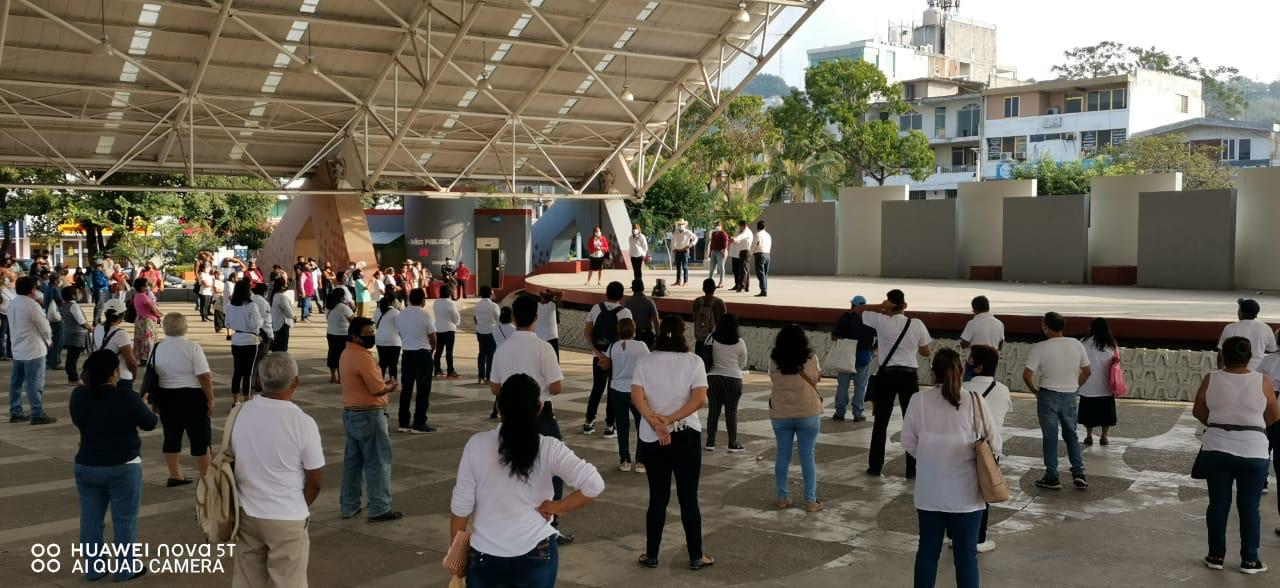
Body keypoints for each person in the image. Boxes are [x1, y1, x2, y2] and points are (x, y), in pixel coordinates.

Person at [450, 374, 605, 587]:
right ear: (539, 408)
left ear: (499, 407)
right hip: (537, 554)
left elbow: (461, 508)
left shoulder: (476, 445)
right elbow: (594, 484)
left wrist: (457, 553)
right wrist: (557, 507)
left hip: (486, 557)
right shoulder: (549, 447)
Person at [903, 348, 1002, 588]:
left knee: (927, 552)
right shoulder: (975, 401)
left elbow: (908, 442)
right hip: (967, 495)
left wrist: (931, 458)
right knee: (966, 556)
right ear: (961, 370)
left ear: (932, 372)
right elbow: (995, 445)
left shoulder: (918, 400)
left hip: (930, 492)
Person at [231, 352, 325, 587]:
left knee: (247, 581)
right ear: (295, 382)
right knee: (289, 581)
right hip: (287, 516)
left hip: (247, 512)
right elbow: (315, 481)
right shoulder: (303, 422)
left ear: (259, 380)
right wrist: (300, 505)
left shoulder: (240, 412)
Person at [489, 294, 575, 544]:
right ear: (536, 317)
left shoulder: (503, 349)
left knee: (512, 469)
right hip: (540, 416)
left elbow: (495, 388)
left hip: (510, 418)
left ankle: (516, 523)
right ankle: (549, 526)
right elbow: (556, 387)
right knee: (553, 469)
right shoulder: (543, 348)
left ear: (514, 318)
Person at [631, 315, 714, 570]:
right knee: (688, 498)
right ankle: (696, 555)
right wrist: (670, 419)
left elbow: (637, 397)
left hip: (652, 437)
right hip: (686, 434)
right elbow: (699, 399)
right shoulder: (694, 361)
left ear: (660, 333)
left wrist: (655, 421)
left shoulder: (645, 361)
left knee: (658, 497)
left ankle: (652, 555)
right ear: (683, 333)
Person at [1193, 336, 1280, 574]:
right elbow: (1274, 416)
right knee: (1250, 508)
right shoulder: (1262, 381)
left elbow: (1198, 410)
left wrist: (1219, 425)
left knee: (1218, 504)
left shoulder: (1211, 378)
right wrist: (1251, 427)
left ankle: (1215, 556)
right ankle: (1250, 560)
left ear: (1223, 355)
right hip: (1254, 451)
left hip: (1216, 449)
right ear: (1249, 356)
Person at [70, 349, 155, 582]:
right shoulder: (126, 396)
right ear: (115, 372)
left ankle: (94, 568)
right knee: (124, 520)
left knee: (90, 520)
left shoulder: (78, 395)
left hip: (87, 464)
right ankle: (126, 567)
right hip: (123, 465)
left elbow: (78, 419)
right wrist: (143, 405)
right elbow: (150, 423)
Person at [857, 289, 933, 477]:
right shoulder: (916, 324)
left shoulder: (880, 320)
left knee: (881, 423)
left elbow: (858, 309)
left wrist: (880, 307)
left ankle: (875, 467)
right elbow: (926, 352)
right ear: (905, 305)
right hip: (909, 376)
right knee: (912, 422)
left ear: (888, 304)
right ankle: (912, 470)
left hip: (887, 375)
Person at [339, 317, 405, 522]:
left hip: (351, 413)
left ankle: (349, 505)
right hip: (369, 414)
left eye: (372, 332)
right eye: (367, 334)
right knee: (378, 462)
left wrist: (383, 385)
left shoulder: (346, 353)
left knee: (353, 463)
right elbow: (376, 389)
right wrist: (390, 387)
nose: (371, 336)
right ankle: (379, 507)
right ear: (355, 336)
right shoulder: (363, 357)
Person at [1023, 311, 1092, 490]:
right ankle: (1078, 472)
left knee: (1050, 436)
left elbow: (1027, 375)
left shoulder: (1039, 347)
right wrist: (1075, 386)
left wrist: (1035, 391)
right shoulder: (1076, 344)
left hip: (1047, 395)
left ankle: (1052, 476)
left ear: (1045, 327)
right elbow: (1087, 371)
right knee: (1071, 434)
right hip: (1070, 395)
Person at [151, 313, 214, 486]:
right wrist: (210, 399)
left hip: (167, 396)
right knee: (200, 438)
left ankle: (175, 475)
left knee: (171, 436)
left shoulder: (157, 347)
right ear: (185, 326)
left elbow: (153, 375)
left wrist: (155, 400)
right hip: (192, 397)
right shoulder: (192, 347)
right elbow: (204, 376)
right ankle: (205, 477)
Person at [961, 345, 1011, 554]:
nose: (966, 364)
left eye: (969, 360)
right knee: (983, 493)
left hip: (961, 447)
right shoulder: (1003, 390)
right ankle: (978, 539)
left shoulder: (962, 389)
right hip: (988, 449)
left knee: (959, 491)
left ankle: (955, 536)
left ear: (978, 367)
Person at [768, 324, 824, 511]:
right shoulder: (812, 357)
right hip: (807, 413)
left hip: (781, 414)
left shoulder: (774, 360)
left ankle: (782, 497)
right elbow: (817, 378)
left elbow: (773, 378)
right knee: (807, 455)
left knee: (783, 454)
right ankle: (810, 501)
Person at [583, 281, 632, 437]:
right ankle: (610, 426)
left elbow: (587, 332)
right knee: (612, 390)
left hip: (598, 356)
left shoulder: (596, 308)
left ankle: (588, 422)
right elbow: (627, 339)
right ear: (622, 296)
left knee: (597, 388)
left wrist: (597, 352)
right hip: (615, 359)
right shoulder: (625, 313)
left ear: (606, 293)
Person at [605, 318, 649, 472]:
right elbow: (648, 364)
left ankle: (624, 460)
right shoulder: (641, 346)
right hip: (635, 390)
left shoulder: (613, 346)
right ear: (633, 330)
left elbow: (607, 363)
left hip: (616, 389)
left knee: (622, 426)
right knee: (641, 425)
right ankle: (640, 461)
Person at [9, 275, 54, 424]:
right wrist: (49, 341)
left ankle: (16, 411)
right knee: (34, 384)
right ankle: (37, 413)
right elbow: (44, 326)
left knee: (16, 383)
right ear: (32, 289)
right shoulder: (32, 305)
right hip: (33, 349)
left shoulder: (12, 303)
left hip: (17, 349)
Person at [705, 313, 748, 453]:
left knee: (713, 410)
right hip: (733, 379)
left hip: (713, 378)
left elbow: (705, 356)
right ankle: (732, 443)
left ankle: (710, 442)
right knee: (731, 412)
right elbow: (743, 362)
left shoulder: (711, 338)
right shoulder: (740, 342)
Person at [396, 288, 438, 433]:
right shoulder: (425, 315)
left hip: (407, 354)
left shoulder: (401, 314)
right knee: (423, 390)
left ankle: (403, 422)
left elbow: (400, 332)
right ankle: (419, 422)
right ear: (422, 300)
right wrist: (431, 351)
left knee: (406, 389)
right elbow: (433, 337)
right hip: (423, 354)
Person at [832, 295, 876, 422]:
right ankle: (857, 413)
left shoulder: (845, 318)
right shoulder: (870, 320)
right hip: (864, 356)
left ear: (852, 305)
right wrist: (872, 349)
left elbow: (834, 337)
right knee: (860, 386)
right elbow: (880, 336)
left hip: (846, 356)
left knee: (843, 386)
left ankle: (839, 413)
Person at [1078, 317, 1120, 446]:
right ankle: (1104, 436)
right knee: (1106, 414)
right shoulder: (1111, 344)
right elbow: (1116, 362)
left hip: (1088, 386)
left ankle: (1089, 435)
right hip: (1105, 387)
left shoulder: (1083, 342)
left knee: (1088, 414)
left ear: (1091, 328)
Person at [226, 280, 264, 406]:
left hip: (236, 339)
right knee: (248, 372)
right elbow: (255, 325)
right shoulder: (252, 306)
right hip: (250, 340)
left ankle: (235, 400)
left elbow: (227, 323)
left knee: (237, 371)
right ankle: (247, 400)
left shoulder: (230, 306)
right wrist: (261, 320)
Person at [93, 299, 139, 395]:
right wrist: (134, 375)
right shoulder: (121, 333)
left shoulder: (96, 328)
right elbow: (131, 362)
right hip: (121, 377)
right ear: (122, 315)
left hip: (101, 375)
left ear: (105, 313)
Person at [1219, 298, 1276, 371]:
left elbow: (1221, 353)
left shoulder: (1230, 328)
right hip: (1258, 370)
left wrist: (1220, 371)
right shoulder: (1266, 328)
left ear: (1241, 312)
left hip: (1234, 370)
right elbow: (1273, 349)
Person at [960, 295, 1004, 380]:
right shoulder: (1000, 324)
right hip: (991, 364)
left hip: (974, 364)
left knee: (969, 386)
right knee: (988, 385)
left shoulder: (972, 323)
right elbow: (1000, 346)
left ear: (975, 309)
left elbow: (963, 344)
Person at [325, 287, 355, 384]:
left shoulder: (328, 307)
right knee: (342, 356)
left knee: (332, 354)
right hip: (343, 334)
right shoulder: (344, 308)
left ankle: (333, 376)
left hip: (330, 333)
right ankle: (340, 378)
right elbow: (353, 321)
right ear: (342, 297)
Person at [61, 285, 90, 384]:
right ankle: (73, 378)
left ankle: (72, 378)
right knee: (73, 358)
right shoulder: (74, 306)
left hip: (69, 334)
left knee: (71, 357)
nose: (79, 293)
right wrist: (90, 328)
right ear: (72, 295)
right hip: (77, 335)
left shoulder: (65, 305)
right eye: (77, 292)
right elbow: (81, 321)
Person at [691, 278, 726, 360]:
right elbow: (725, 321)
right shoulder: (719, 302)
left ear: (703, 289)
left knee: (700, 362)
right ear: (714, 289)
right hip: (715, 340)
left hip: (700, 339)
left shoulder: (697, 302)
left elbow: (695, 319)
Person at [433, 285, 462, 379]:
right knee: (449, 351)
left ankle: (437, 370)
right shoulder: (450, 303)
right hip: (449, 329)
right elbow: (455, 316)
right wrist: (457, 322)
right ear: (449, 292)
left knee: (438, 351)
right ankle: (450, 371)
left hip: (438, 329)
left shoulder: (436, 302)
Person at [130, 277, 161, 366]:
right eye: (145, 285)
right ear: (142, 287)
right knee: (147, 340)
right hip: (147, 321)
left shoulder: (137, 296)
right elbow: (152, 309)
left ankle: (140, 357)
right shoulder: (143, 296)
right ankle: (146, 358)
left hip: (140, 320)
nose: (147, 287)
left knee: (140, 340)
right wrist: (159, 315)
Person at [473, 285, 500, 385]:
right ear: (490, 294)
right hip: (491, 332)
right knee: (490, 355)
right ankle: (489, 377)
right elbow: (498, 319)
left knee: (481, 354)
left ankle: (480, 376)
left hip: (480, 331)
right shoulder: (494, 306)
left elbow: (475, 318)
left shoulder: (476, 305)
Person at [623, 279, 660, 348]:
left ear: (632, 289)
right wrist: (658, 336)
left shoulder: (627, 302)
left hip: (632, 335)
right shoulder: (649, 302)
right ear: (643, 288)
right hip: (646, 335)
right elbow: (656, 321)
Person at [373, 296, 402, 382]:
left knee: (382, 363)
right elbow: (399, 328)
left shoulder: (376, 311)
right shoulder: (395, 312)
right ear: (392, 302)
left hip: (379, 340)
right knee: (393, 364)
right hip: (393, 341)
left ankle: (380, 382)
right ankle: (393, 382)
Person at [269, 276, 295, 353]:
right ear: (282, 286)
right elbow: (288, 311)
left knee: (277, 345)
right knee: (282, 346)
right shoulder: (282, 297)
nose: (287, 286)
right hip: (283, 324)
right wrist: (294, 317)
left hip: (276, 323)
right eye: (285, 284)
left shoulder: (275, 295)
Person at [535, 288, 563, 359]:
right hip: (552, 337)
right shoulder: (552, 305)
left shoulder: (536, 306)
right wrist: (551, 292)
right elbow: (561, 293)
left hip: (539, 337)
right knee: (554, 360)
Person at [670, 219, 698, 287]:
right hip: (677, 251)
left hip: (684, 251)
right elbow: (673, 241)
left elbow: (695, 238)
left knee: (685, 267)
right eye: (679, 224)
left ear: (684, 225)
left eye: (681, 224)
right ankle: (678, 281)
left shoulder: (687, 232)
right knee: (678, 267)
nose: (680, 225)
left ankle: (686, 282)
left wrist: (691, 244)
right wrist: (673, 248)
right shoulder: (676, 232)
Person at [730, 220, 753, 293]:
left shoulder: (747, 231)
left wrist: (735, 239)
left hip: (745, 251)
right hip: (742, 252)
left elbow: (741, 236)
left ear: (743, 226)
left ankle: (742, 286)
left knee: (744, 270)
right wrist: (735, 239)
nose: (739, 227)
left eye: (740, 226)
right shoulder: (741, 231)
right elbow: (739, 239)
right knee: (745, 269)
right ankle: (745, 286)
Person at [751, 220, 772, 297]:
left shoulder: (757, 235)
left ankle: (763, 290)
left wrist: (750, 253)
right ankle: (764, 290)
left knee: (760, 274)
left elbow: (754, 245)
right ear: (765, 227)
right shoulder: (768, 235)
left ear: (757, 227)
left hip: (759, 255)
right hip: (767, 254)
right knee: (765, 274)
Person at [706, 221, 730, 288]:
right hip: (714, 251)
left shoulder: (723, 234)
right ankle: (710, 282)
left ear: (721, 226)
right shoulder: (713, 234)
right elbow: (712, 243)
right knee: (711, 268)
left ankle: (721, 283)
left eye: (718, 225)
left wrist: (724, 251)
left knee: (721, 267)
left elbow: (726, 243)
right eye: (716, 225)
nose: (717, 226)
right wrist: (710, 252)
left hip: (721, 252)